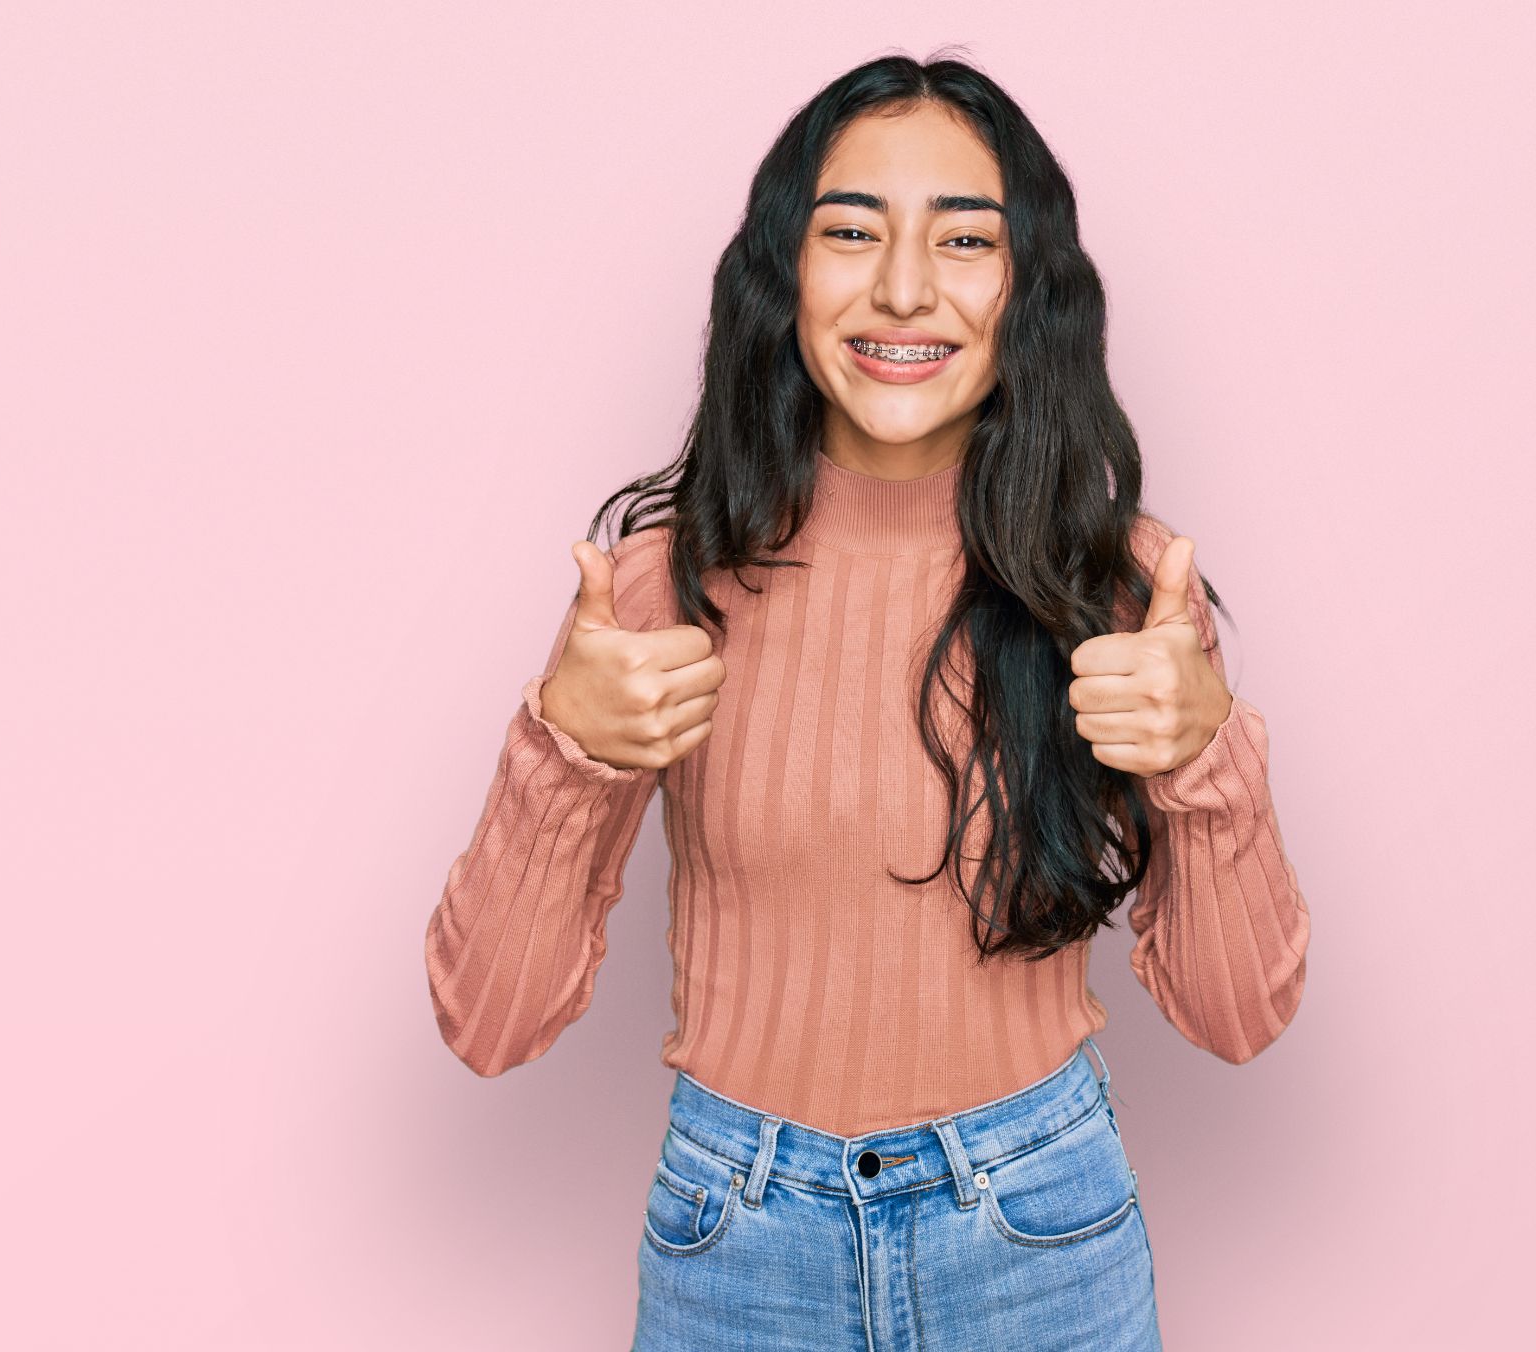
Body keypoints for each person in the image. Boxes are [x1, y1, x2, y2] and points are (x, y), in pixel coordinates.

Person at [423, 50, 1312, 1351]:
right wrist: (566, 752)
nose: (904, 288)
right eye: (851, 232)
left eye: (965, 239)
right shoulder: (663, 583)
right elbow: (489, 1025)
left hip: (1038, 1230)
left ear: (1029, 291)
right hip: (737, 1241)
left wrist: (1204, 756)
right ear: (783, 275)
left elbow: (1240, 1021)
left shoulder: (1113, 583)